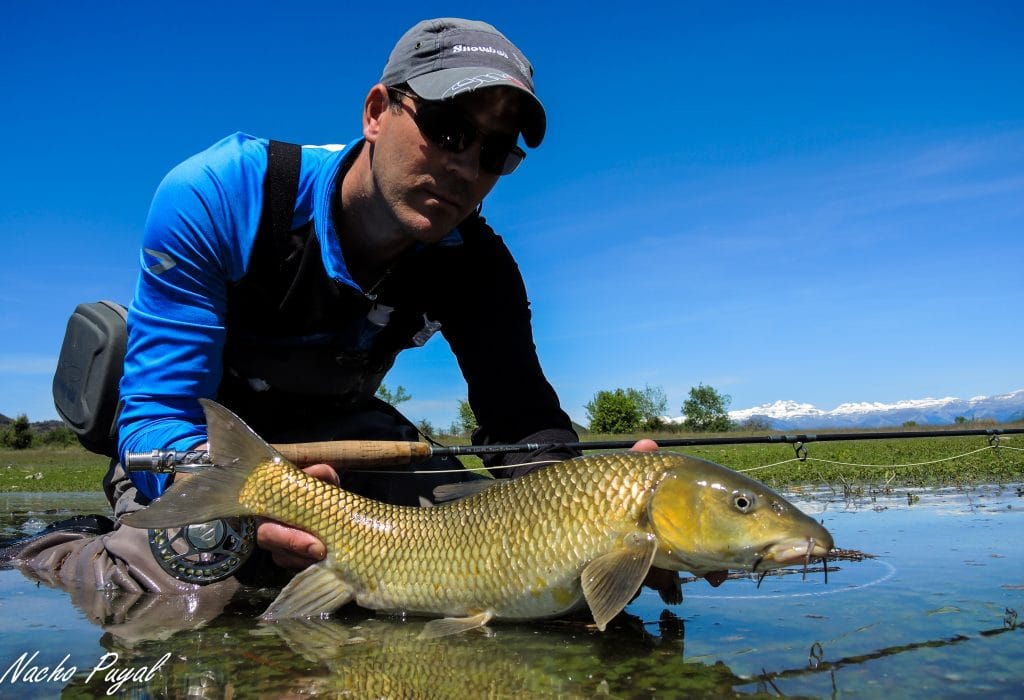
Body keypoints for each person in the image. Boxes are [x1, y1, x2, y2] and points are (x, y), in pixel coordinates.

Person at [15, 18, 657, 609]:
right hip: (202, 438)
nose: (466, 167)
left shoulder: (478, 264)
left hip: (346, 431)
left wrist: (608, 518)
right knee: (198, 596)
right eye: (449, 131)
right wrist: (250, 508)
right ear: (377, 112)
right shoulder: (223, 193)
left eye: (494, 155)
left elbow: (522, 424)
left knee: (505, 567)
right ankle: (59, 551)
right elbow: (158, 415)